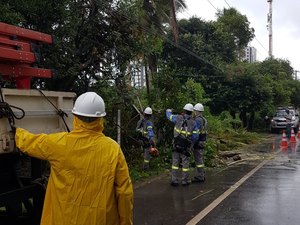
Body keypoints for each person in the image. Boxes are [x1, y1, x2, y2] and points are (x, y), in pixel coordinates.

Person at [15, 92, 133, 225]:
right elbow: (124, 193)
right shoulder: (113, 148)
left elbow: (30, 143)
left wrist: (16, 132)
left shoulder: (59, 143)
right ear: (100, 119)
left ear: (75, 116)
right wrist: (125, 222)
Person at [166, 103, 198, 186]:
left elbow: (169, 116)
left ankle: (174, 180)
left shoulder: (178, 118)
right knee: (185, 163)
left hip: (176, 144)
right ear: (192, 112)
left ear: (184, 110)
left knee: (175, 162)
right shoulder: (194, 123)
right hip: (186, 146)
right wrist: (191, 143)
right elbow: (195, 136)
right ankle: (185, 180)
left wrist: (168, 111)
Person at [192, 103, 208, 183]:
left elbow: (196, 133)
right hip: (202, 141)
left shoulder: (197, 120)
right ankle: (201, 174)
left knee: (198, 159)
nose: (194, 112)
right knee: (200, 158)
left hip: (198, 142)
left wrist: (192, 142)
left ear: (197, 111)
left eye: (195, 110)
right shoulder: (204, 120)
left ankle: (200, 176)